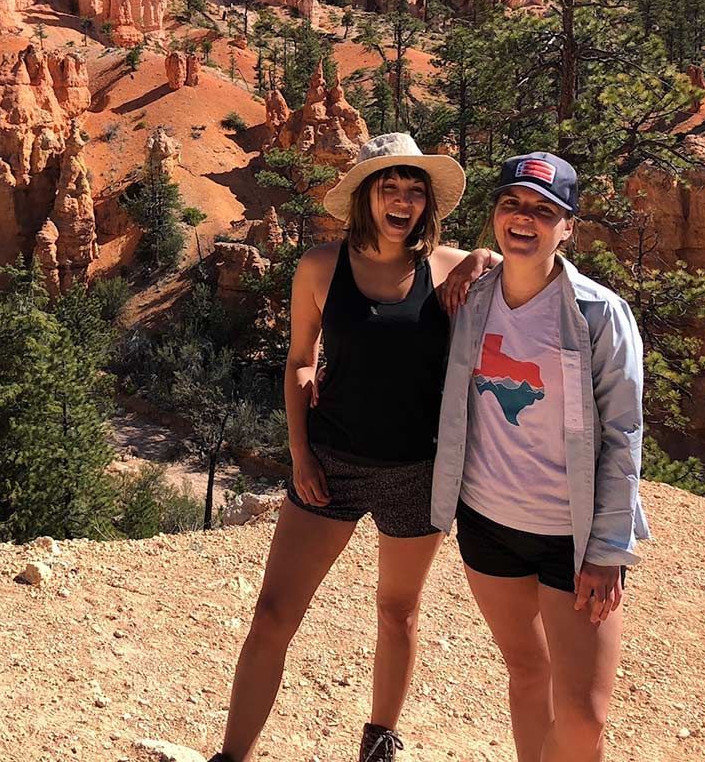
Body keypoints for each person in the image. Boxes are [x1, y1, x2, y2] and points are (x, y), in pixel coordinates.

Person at [210, 133, 498, 762]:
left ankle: (378, 746)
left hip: (417, 470)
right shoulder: (320, 266)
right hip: (332, 465)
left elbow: (534, 270)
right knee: (272, 614)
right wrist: (301, 453)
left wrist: (480, 254)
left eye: (414, 190)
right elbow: (298, 362)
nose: (402, 201)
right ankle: (233, 755)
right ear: (366, 196)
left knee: (398, 611)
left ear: (428, 202)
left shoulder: (450, 268)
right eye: (389, 188)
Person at [430, 152, 648, 762]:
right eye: (512, 205)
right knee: (527, 674)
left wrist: (608, 550)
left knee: (582, 718)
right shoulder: (472, 296)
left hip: (571, 538)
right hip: (486, 522)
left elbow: (623, 432)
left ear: (568, 226)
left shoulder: (599, 314)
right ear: (495, 216)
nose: (524, 219)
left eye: (543, 211)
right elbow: (394, 257)